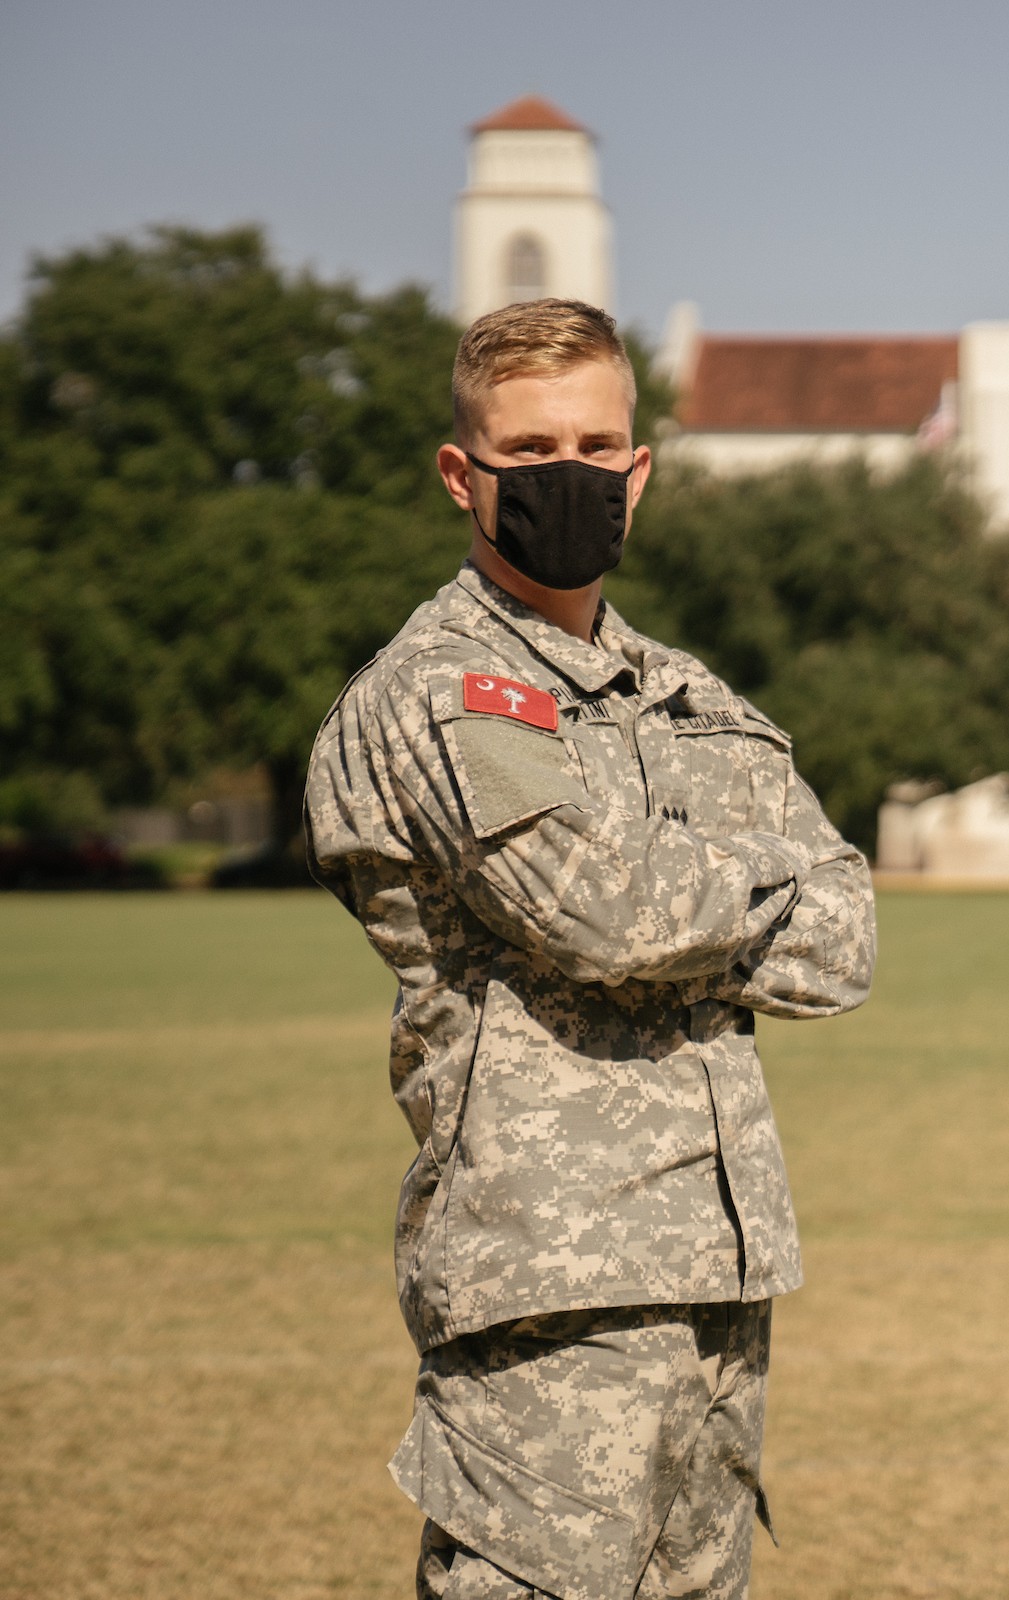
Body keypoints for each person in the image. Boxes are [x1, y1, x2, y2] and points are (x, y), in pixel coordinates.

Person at [304, 298, 875, 1599]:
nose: (571, 475)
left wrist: (673, 884)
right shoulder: (443, 689)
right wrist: (747, 879)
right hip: (547, 1286)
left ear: (640, 469)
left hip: (717, 1265)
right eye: (532, 449)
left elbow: (844, 945)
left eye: (597, 445)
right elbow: (600, 914)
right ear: (464, 474)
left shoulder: (686, 693)